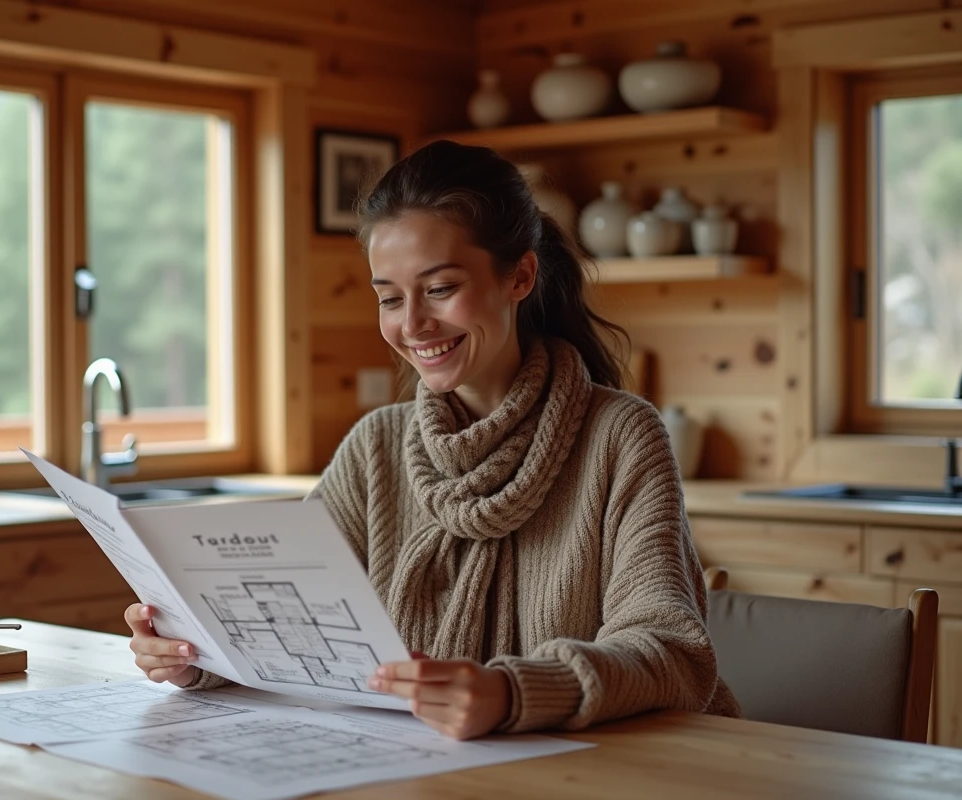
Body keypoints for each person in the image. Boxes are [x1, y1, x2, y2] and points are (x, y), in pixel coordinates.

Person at [125, 140, 741, 740]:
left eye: (440, 289)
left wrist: (513, 693)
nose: (412, 324)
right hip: (427, 766)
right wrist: (195, 653)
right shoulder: (375, 448)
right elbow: (292, 630)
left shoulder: (620, 436)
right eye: (389, 298)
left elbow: (671, 654)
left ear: (520, 276)